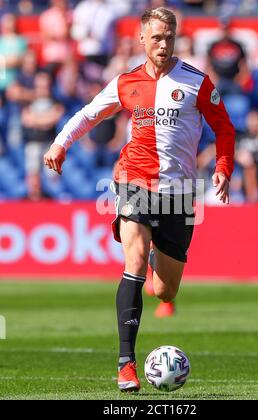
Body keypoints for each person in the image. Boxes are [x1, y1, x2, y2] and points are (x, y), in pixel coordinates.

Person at [44, 7, 235, 392]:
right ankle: (125, 364)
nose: (163, 44)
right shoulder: (126, 82)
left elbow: (225, 128)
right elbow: (89, 114)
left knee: (165, 291)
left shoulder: (196, 82)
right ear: (143, 39)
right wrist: (60, 144)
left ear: (176, 38)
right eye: (157, 37)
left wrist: (223, 167)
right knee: (132, 263)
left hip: (179, 193)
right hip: (133, 181)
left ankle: (153, 257)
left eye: (169, 37)